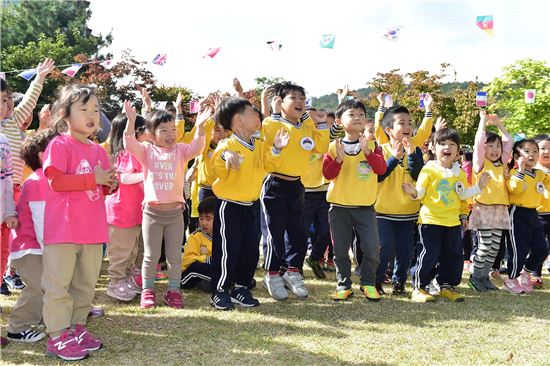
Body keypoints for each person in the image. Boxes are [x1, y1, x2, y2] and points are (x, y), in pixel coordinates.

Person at [42, 84, 118, 361]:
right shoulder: (59, 144)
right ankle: (57, 335)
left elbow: (100, 188)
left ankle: (76, 328)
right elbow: (57, 181)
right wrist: (94, 180)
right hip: (63, 231)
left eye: (96, 110)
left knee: (85, 285)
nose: (92, 115)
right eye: (84, 109)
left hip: (92, 230)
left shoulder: (99, 150)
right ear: (64, 114)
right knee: (58, 285)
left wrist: (109, 184)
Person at [123, 99, 208, 309]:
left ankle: (173, 292)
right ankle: (148, 291)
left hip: (175, 214)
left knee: (174, 257)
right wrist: (131, 121)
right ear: (151, 135)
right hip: (151, 213)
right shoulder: (146, 151)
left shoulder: (180, 150)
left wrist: (200, 126)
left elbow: (198, 147)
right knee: (150, 256)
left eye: (173, 129)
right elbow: (129, 143)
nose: (171, 134)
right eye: (164, 130)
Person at [210, 97, 289, 310]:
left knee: (250, 250)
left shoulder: (259, 143)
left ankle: (241, 288)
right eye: (252, 113)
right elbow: (216, 165)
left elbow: (270, 165)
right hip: (230, 205)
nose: (258, 117)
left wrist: (278, 149)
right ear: (237, 121)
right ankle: (220, 290)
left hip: (252, 205)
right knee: (228, 249)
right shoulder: (228, 144)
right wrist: (226, 155)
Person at [402, 128, 490, 303]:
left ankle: (446, 286)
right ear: (433, 148)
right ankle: (419, 287)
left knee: (453, 256)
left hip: (452, 222)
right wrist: (413, 192)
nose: (446, 147)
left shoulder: (459, 172)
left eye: (451, 144)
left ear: (458, 152)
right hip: (430, 221)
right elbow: (420, 192)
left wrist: (479, 187)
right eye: (442, 144)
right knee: (429, 254)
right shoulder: (429, 169)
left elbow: (463, 194)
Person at [260, 81, 329, 301]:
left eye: (302, 98)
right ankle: (271, 274)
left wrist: (321, 124)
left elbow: (321, 147)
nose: (299, 102)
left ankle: (293, 272)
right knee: (275, 233)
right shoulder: (271, 124)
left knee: (298, 233)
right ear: (280, 102)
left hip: (298, 186)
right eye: (293, 98)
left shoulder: (306, 125)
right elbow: (265, 157)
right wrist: (277, 147)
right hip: (275, 185)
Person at [322, 99, 386, 301]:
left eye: (361, 114)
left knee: (372, 248)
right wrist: (339, 159)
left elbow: (381, 170)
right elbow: (327, 174)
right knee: (340, 250)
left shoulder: (374, 146)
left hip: (365, 208)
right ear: (340, 122)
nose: (357, 117)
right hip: (339, 207)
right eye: (352, 114)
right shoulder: (333, 146)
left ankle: (368, 283)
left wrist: (367, 152)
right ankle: (344, 284)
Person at [6, 130, 55, 343]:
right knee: (37, 285)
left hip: (37, 244)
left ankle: (44, 318)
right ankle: (17, 327)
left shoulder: (46, 179)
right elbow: (40, 219)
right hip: (29, 246)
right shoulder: (38, 181)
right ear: (45, 156)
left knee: (46, 283)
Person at [375, 101, 425, 296]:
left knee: (406, 251)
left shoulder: (416, 150)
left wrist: (412, 154)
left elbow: (418, 175)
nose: (407, 127)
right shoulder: (381, 150)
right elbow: (379, 175)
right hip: (383, 211)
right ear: (388, 129)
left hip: (408, 212)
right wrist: (394, 158)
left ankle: (399, 282)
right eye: (402, 123)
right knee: (384, 246)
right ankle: (376, 281)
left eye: (410, 123)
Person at [467, 111, 512, 292]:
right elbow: (479, 141)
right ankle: (475, 277)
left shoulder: (501, 163)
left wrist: (499, 125)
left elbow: (509, 140)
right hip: (483, 208)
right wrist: (483, 122)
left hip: (500, 209)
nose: (494, 150)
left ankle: (484, 278)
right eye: (490, 146)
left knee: (494, 249)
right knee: (484, 246)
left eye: (497, 147)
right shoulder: (480, 163)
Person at [105, 112, 147, 301]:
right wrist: (146, 175)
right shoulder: (126, 154)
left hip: (133, 211)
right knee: (120, 252)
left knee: (132, 250)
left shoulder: (138, 152)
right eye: (144, 129)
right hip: (122, 211)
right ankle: (116, 282)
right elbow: (124, 177)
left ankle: (126, 279)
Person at [505, 138, 549, 293]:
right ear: (517, 156)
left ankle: (526, 272)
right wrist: (520, 171)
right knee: (518, 250)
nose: (532, 154)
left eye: (535, 151)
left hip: (533, 214)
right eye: (527, 151)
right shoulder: (513, 173)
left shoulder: (539, 174)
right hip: (517, 213)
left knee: (542, 249)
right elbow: (514, 189)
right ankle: (511, 278)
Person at [302, 107, 331, 279]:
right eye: (309, 118)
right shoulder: (300, 137)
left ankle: (314, 258)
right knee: (301, 232)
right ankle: (294, 267)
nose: (313, 121)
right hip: (304, 192)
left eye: (317, 118)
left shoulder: (324, 136)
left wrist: (323, 123)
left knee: (325, 233)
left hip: (323, 191)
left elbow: (337, 130)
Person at [0, 82, 18, 346]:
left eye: (5, 100)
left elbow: (7, 180)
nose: (4, 106)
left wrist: (10, 211)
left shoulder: (4, 141)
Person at [180, 197, 217, 292]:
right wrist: (206, 260)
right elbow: (187, 260)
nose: (204, 223)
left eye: (208, 219)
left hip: (211, 270)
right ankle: (223, 282)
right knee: (197, 267)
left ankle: (212, 282)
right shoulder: (195, 237)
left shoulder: (224, 236)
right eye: (201, 218)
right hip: (188, 276)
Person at [533, 134, 550, 287]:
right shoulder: (532, 171)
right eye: (542, 148)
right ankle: (535, 274)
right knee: (539, 247)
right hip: (537, 215)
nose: (546, 152)